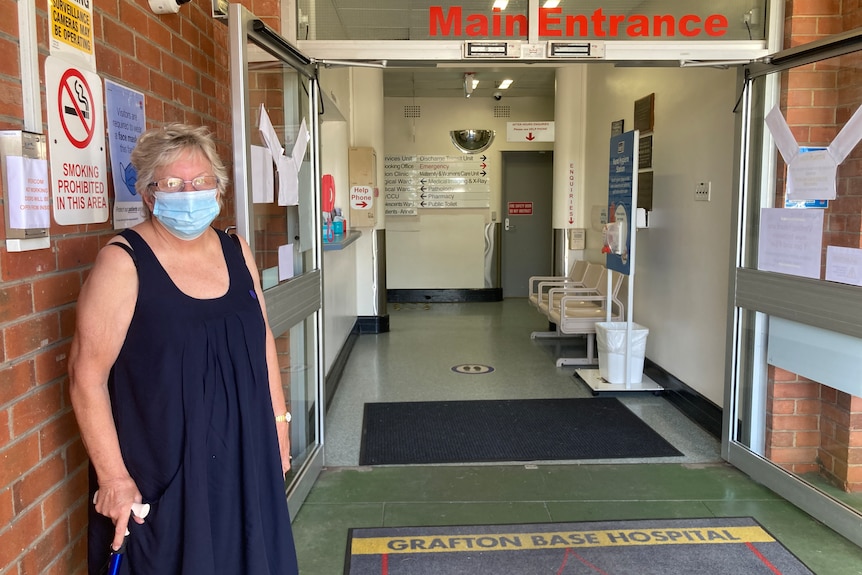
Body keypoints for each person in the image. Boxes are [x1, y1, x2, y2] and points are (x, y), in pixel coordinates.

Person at [69, 123, 299, 574]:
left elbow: (263, 339)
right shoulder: (123, 261)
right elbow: (85, 377)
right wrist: (114, 479)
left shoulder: (236, 249)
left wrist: (280, 423)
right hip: (167, 470)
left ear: (218, 188)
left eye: (200, 182)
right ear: (150, 193)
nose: (188, 192)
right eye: (172, 183)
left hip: (244, 457)